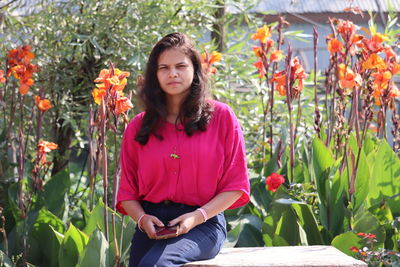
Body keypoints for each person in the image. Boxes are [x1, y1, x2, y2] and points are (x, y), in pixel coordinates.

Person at [116, 32, 250, 267]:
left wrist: (196, 217)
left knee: (156, 265)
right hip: (152, 224)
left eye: (180, 66)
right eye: (164, 68)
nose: (173, 73)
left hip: (203, 222)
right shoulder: (138, 126)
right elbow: (127, 191)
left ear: (195, 70)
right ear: (154, 75)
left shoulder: (222, 118)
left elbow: (236, 186)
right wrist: (142, 218)